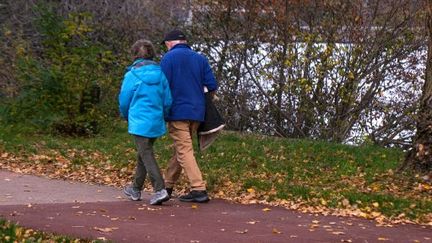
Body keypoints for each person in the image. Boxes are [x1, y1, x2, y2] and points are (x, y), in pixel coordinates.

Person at [161, 29, 218, 203]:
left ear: (170, 43)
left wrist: (162, 109)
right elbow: (212, 85)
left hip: (177, 112)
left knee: (184, 150)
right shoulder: (200, 58)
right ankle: (167, 186)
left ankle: (198, 188)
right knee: (181, 148)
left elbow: (162, 86)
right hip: (197, 112)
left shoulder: (168, 59)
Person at [119, 39, 172, 205]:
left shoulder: (131, 75)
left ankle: (160, 189)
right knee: (143, 153)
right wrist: (164, 115)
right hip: (156, 119)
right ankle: (135, 188)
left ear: (134, 55)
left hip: (139, 121)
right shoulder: (160, 74)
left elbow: (124, 100)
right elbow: (167, 100)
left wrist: (126, 115)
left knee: (146, 154)